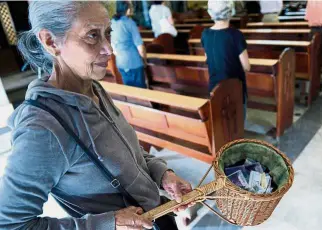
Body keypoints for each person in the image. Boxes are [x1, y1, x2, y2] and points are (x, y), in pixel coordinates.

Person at [0, 1, 193, 229]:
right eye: (92, 35)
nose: (109, 49)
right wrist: (108, 222)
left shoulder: (92, 88)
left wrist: (163, 175)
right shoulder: (42, 127)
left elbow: (128, 154)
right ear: (51, 41)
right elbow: (11, 223)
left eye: (107, 33)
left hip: (157, 217)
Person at [201, 0, 251, 120]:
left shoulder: (205, 34)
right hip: (234, 86)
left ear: (210, 13)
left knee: (221, 123)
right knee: (236, 122)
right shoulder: (236, 35)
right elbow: (246, 66)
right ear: (231, 11)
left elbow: (207, 58)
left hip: (215, 85)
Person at [111, 1, 147, 88]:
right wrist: (144, 60)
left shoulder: (112, 22)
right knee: (141, 91)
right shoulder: (129, 22)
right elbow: (140, 47)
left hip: (120, 62)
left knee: (129, 89)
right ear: (127, 10)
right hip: (134, 62)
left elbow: (112, 44)